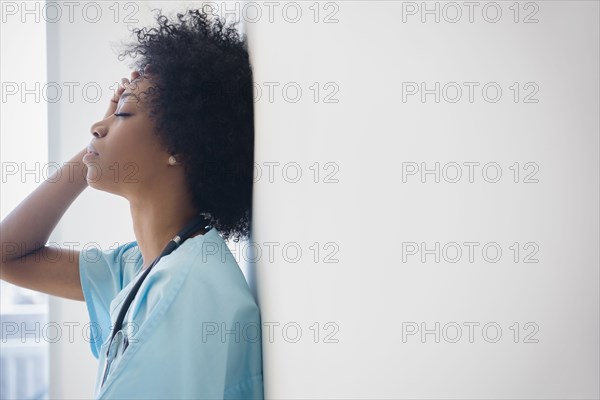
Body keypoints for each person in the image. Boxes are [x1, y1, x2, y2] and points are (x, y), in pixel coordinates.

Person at [0, 8, 263, 399]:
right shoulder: (141, 267)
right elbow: (8, 254)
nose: (98, 124)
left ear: (179, 146)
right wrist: (95, 144)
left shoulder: (186, 291)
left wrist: (98, 145)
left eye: (123, 113)